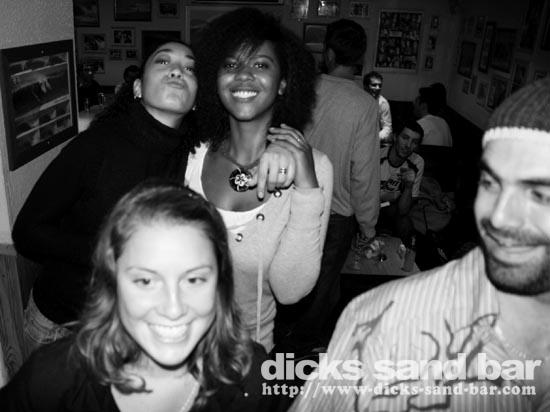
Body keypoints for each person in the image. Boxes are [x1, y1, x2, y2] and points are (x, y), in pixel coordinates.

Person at [290, 78, 550, 411]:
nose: (498, 217)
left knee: (405, 224)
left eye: (539, 194)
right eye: (490, 182)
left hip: (389, 212)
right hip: (363, 211)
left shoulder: (416, 165)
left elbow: (403, 210)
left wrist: (405, 189)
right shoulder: (378, 322)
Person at [1, 180, 270, 411]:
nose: (173, 308)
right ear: (113, 284)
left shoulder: (252, 375)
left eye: (194, 280)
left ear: (220, 285)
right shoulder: (52, 380)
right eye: (146, 281)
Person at [12, 40, 200, 356]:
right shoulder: (96, 146)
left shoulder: (195, 157)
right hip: (63, 328)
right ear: (137, 88)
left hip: (133, 333)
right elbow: (27, 232)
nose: (177, 70)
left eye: (189, 67)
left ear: (196, 99)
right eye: (163, 61)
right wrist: (109, 254)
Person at [186, 7, 333, 353]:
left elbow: (290, 291)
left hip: (247, 359)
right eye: (230, 65)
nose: (244, 75)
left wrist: (305, 186)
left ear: (283, 83)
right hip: (174, 349)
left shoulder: (315, 168)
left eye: (261, 65)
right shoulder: (190, 155)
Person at [279, 19, 379, 353]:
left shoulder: (303, 88)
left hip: (290, 200)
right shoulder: (365, 105)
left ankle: (282, 343)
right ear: (359, 59)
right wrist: (368, 225)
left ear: (330, 54)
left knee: (289, 275)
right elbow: (364, 172)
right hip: (336, 215)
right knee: (321, 289)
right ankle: (298, 353)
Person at [378, 118, 424, 245]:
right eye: (405, 138)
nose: (408, 145)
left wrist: (408, 186)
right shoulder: (377, 154)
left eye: (414, 142)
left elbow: (403, 210)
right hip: (368, 205)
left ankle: (402, 255)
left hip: (391, 208)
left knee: (405, 224)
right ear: (395, 137)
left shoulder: (417, 162)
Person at [363, 71, 392, 143]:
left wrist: (374, 138)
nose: (378, 88)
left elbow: (387, 127)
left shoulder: (383, 103)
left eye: (380, 85)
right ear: (365, 86)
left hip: (373, 138)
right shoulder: (357, 99)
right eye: (374, 85)